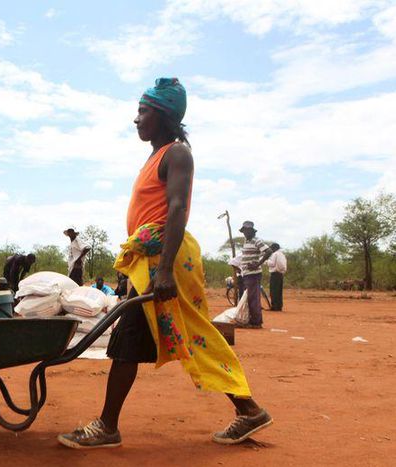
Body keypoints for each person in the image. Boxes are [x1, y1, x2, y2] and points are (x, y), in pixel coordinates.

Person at [58, 77, 271, 449]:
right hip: (153, 260)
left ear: (165, 116)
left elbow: (176, 210)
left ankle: (108, 425)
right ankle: (248, 408)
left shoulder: (177, 154)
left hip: (164, 259)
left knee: (131, 337)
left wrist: (166, 268)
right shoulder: (156, 156)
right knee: (191, 335)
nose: (136, 119)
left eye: (143, 111)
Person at [239, 221, 272, 328]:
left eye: (248, 230)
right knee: (249, 298)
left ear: (252, 231)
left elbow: (269, 251)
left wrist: (258, 263)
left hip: (253, 274)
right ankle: (252, 320)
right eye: (244, 230)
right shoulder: (246, 241)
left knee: (253, 298)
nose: (245, 232)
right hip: (247, 273)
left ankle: (256, 322)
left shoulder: (256, 240)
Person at [267, 243, 287, 311]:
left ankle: (274, 306)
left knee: (273, 291)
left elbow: (272, 263)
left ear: (274, 248)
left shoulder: (275, 254)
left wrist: (267, 261)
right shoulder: (282, 254)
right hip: (280, 274)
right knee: (279, 291)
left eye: (271, 248)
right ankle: (279, 306)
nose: (271, 249)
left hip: (275, 274)